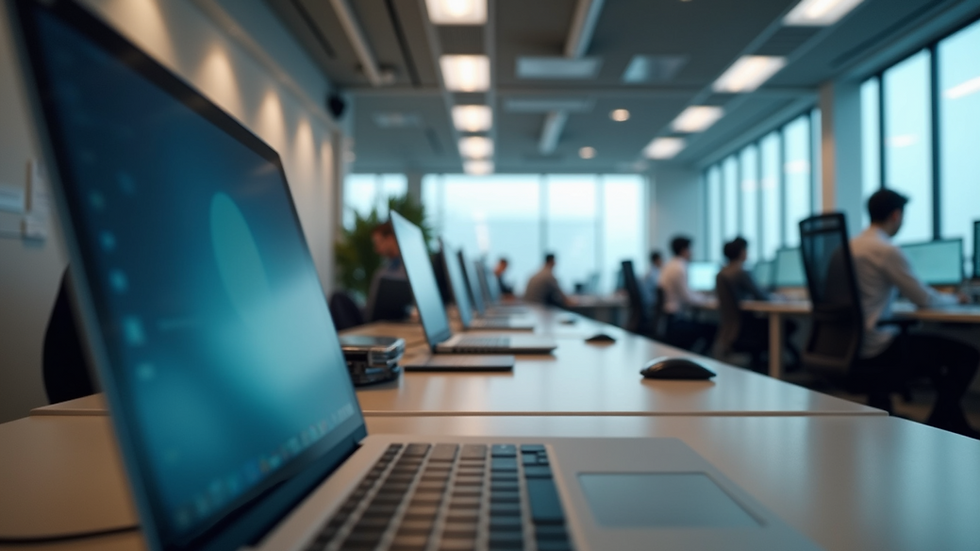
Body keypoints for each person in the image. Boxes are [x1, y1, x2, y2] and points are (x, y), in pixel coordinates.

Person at [851, 189, 978, 437]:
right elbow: (924, 299)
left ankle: (947, 419)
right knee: (967, 356)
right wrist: (957, 298)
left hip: (853, 343)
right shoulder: (885, 249)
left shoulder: (852, 245)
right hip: (880, 346)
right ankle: (939, 423)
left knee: (935, 358)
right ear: (896, 215)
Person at [715, 237, 798, 367]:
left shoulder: (722, 273)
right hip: (741, 330)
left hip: (730, 329)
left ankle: (767, 363)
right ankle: (790, 365)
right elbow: (762, 297)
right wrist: (780, 298)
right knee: (788, 324)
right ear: (741, 252)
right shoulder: (740, 271)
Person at [658, 236, 716, 353]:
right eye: (691, 249)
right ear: (684, 250)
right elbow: (687, 297)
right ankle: (700, 360)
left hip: (669, 320)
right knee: (713, 329)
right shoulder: (680, 267)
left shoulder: (669, 265)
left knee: (704, 325)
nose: (692, 252)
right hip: (676, 322)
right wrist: (707, 299)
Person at [364, 220, 406, 320]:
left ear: (390, 239)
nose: (375, 249)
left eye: (378, 243)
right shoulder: (385, 268)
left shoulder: (403, 269)